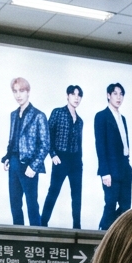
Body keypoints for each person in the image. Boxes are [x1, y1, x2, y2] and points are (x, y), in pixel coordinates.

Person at [1, 77, 50, 227]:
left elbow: (45, 144)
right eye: (15, 91)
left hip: (28, 165)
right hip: (14, 163)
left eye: (21, 91)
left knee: (32, 205)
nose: (18, 95)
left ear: (28, 92)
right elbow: (12, 140)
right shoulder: (13, 115)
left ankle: (38, 236)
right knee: (15, 204)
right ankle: (19, 236)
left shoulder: (38, 115)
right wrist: (7, 157)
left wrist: (34, 166)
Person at [41, 85, 84, 228]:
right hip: (61, 158)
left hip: (76, 161)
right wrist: (53, 154)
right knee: (53, 191)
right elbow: (47, 135)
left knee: (77, 195)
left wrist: (80, 162)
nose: (76, 98)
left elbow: (79, 143)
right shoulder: (58, 113)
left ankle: (77, 226)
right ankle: (42, 223)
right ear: (68, 96)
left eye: (79, 95)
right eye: (73, 94)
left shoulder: (80, 120)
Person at [94, 82, 132, 230]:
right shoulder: (101, 116)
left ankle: (113, 232)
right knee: (110, 203)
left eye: (121, 94)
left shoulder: (123, 119)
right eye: (115, 93)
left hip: (124, 167)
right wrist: (105, 172)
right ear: (108, 95)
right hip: (110, 169)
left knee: (125, 207)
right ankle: (102, 232)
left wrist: (128, 166)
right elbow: (100, 145)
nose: (119, 97)